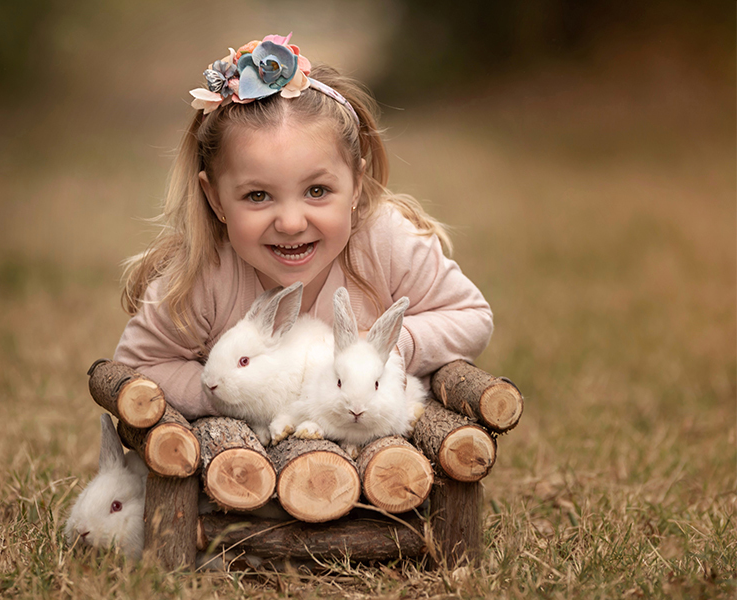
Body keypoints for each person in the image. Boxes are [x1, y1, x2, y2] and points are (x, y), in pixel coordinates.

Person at [114, 33, 493, 420]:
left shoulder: (384, 242)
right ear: (215, 199)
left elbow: (471, 316)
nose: (292, 223)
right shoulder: (204, 273)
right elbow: (139, 365)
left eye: (317, 190)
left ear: (355, 186)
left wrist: (393, 347)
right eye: (258, 196)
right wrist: (221, 397)